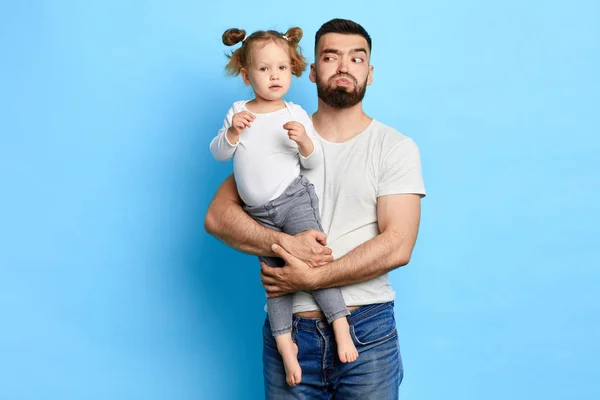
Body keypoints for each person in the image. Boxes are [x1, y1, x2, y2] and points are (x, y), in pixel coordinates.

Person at [205, 18, 426, 399]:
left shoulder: (394, 147)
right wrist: (284, 244)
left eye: (357, 59)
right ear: (310, 70)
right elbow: (218, 217)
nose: (343, 66)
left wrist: (312, 278)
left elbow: (399, 245)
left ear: (370, 73)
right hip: (288, 331)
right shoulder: (273, 133)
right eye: (330, 57)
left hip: (366, 328)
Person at [209, 26, 358, 387]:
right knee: (277, 281)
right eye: (263, 69)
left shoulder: (294, 112)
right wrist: (231, 134)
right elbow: (218, 154)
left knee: (314, 260)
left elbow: (313, 163)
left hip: (293, 200)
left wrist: (305, 141)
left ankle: (339, 324)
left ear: (292, 69)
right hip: (257, 213)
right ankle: (284, 342)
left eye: (281, 68)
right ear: (246, 74)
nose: (274, 76)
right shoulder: (238, 111)